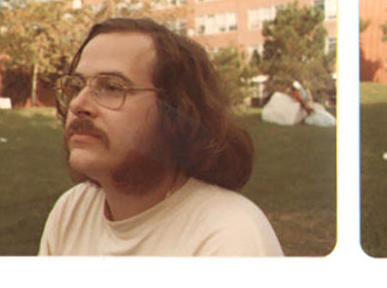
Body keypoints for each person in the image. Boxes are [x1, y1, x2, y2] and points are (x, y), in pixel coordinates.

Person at [39, 18, 283, 256]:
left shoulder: (229, 236)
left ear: (175, 111)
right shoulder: (72, 210)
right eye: (77, 86)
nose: (78, 104)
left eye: (112, 87)